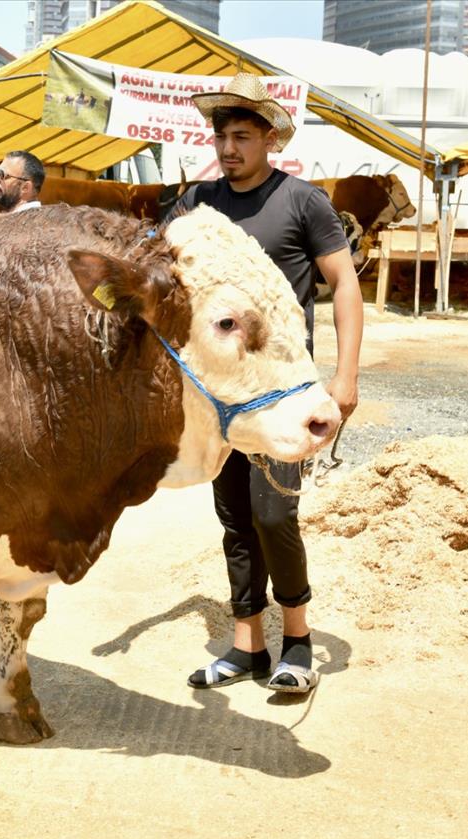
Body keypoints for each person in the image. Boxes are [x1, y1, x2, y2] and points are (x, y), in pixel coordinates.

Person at [171, 74, 362, 694]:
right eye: (221, 136)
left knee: (273, 513)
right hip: (221, 394)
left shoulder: (303, 201)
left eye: (242, 136)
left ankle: (299, 641)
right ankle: (246, 646)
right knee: (234, 517)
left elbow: (346, 285)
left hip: (282, 393)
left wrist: (346, 374)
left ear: (270, 139)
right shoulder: (197, 202)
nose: (228, 148)